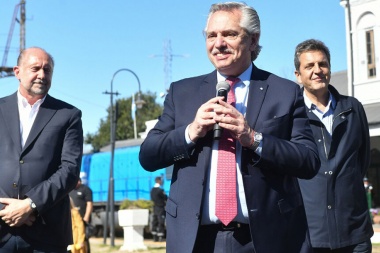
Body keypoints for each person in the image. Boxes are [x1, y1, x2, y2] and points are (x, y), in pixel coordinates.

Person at [139, 2, 320, 253]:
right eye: (212, 35)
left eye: (229, 34)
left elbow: (309, 160)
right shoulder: (182, 93)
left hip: (263, 239)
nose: (219, 43)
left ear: (253, 40)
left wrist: (253, 138)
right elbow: (148, 155)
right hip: (195, 241)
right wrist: (190, 132)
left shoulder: (284, 92)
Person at [0, 47, 83, 252]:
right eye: (35, 68)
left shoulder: (68, 115)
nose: (42, 75)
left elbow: (69, 171)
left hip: (46, 233)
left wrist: (30, 205)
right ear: (17, 72)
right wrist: (5, 210)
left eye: (47, 70)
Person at [294, 39, 373, 253]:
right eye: (309, 66)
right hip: (310, 236)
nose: (317, 70)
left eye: (323, 64)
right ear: (298, 75)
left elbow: (362, 160)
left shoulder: (353, 108)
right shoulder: (292, 115)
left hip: (355, 233)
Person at [69, 177, 93, 252]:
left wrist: (86, 217)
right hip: (72, 219)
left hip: (83, 218)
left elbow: (89, 204)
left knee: (83, 239)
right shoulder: (70, 190)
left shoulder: (86, 190)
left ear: (79, 181)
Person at [150, 176, 167, 242]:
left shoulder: (152, 190)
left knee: (155, 221)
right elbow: (165, 198)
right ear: (159, 181)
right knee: (161, 221)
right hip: (160, 208)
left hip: (154, 207)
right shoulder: (160, 190)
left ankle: (155, 237)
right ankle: (160, 237)